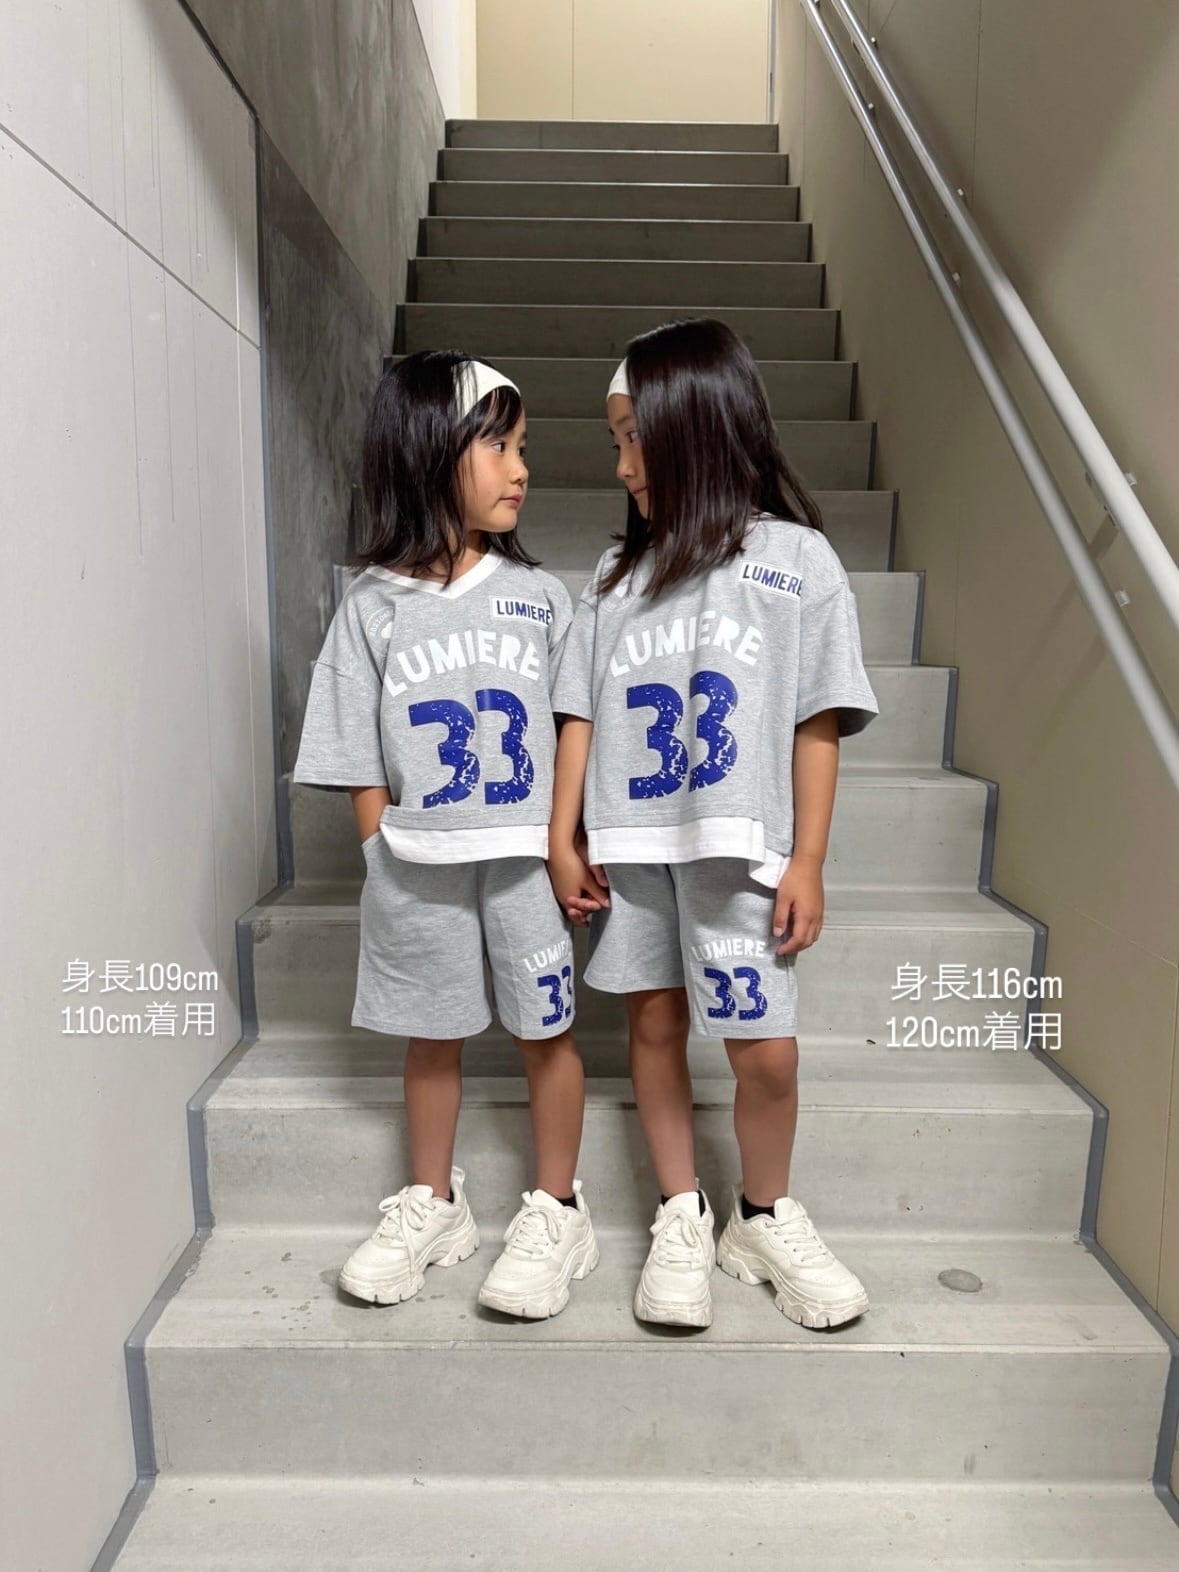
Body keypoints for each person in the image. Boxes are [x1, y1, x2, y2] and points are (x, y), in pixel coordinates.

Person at [547, 317, 879, 1330]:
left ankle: (762, 1216)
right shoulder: (615, 575)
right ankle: (680, 1211)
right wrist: (565, 835)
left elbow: (816, 720)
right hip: (633, 849)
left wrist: (807, 858)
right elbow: (580, 712)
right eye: (615, 441)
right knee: (653, 1024)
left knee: (765, 1052)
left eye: (632, 438)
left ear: (693, 428)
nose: (621, 466)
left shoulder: (797, 561)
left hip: (741, 853)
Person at [293, 350, 597, 1320]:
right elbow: (356, 747)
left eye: (523, 449)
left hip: (521, 866)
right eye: (499, 447)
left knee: (547, 1032)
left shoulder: (540, 598)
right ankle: (434, 1203)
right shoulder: (372, 606)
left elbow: (574, 725)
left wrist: (563, 842)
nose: (521, 470)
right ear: (430, 451)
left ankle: (558, 1206)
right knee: (432, 1038)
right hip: (417, 866)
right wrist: (379, 847)